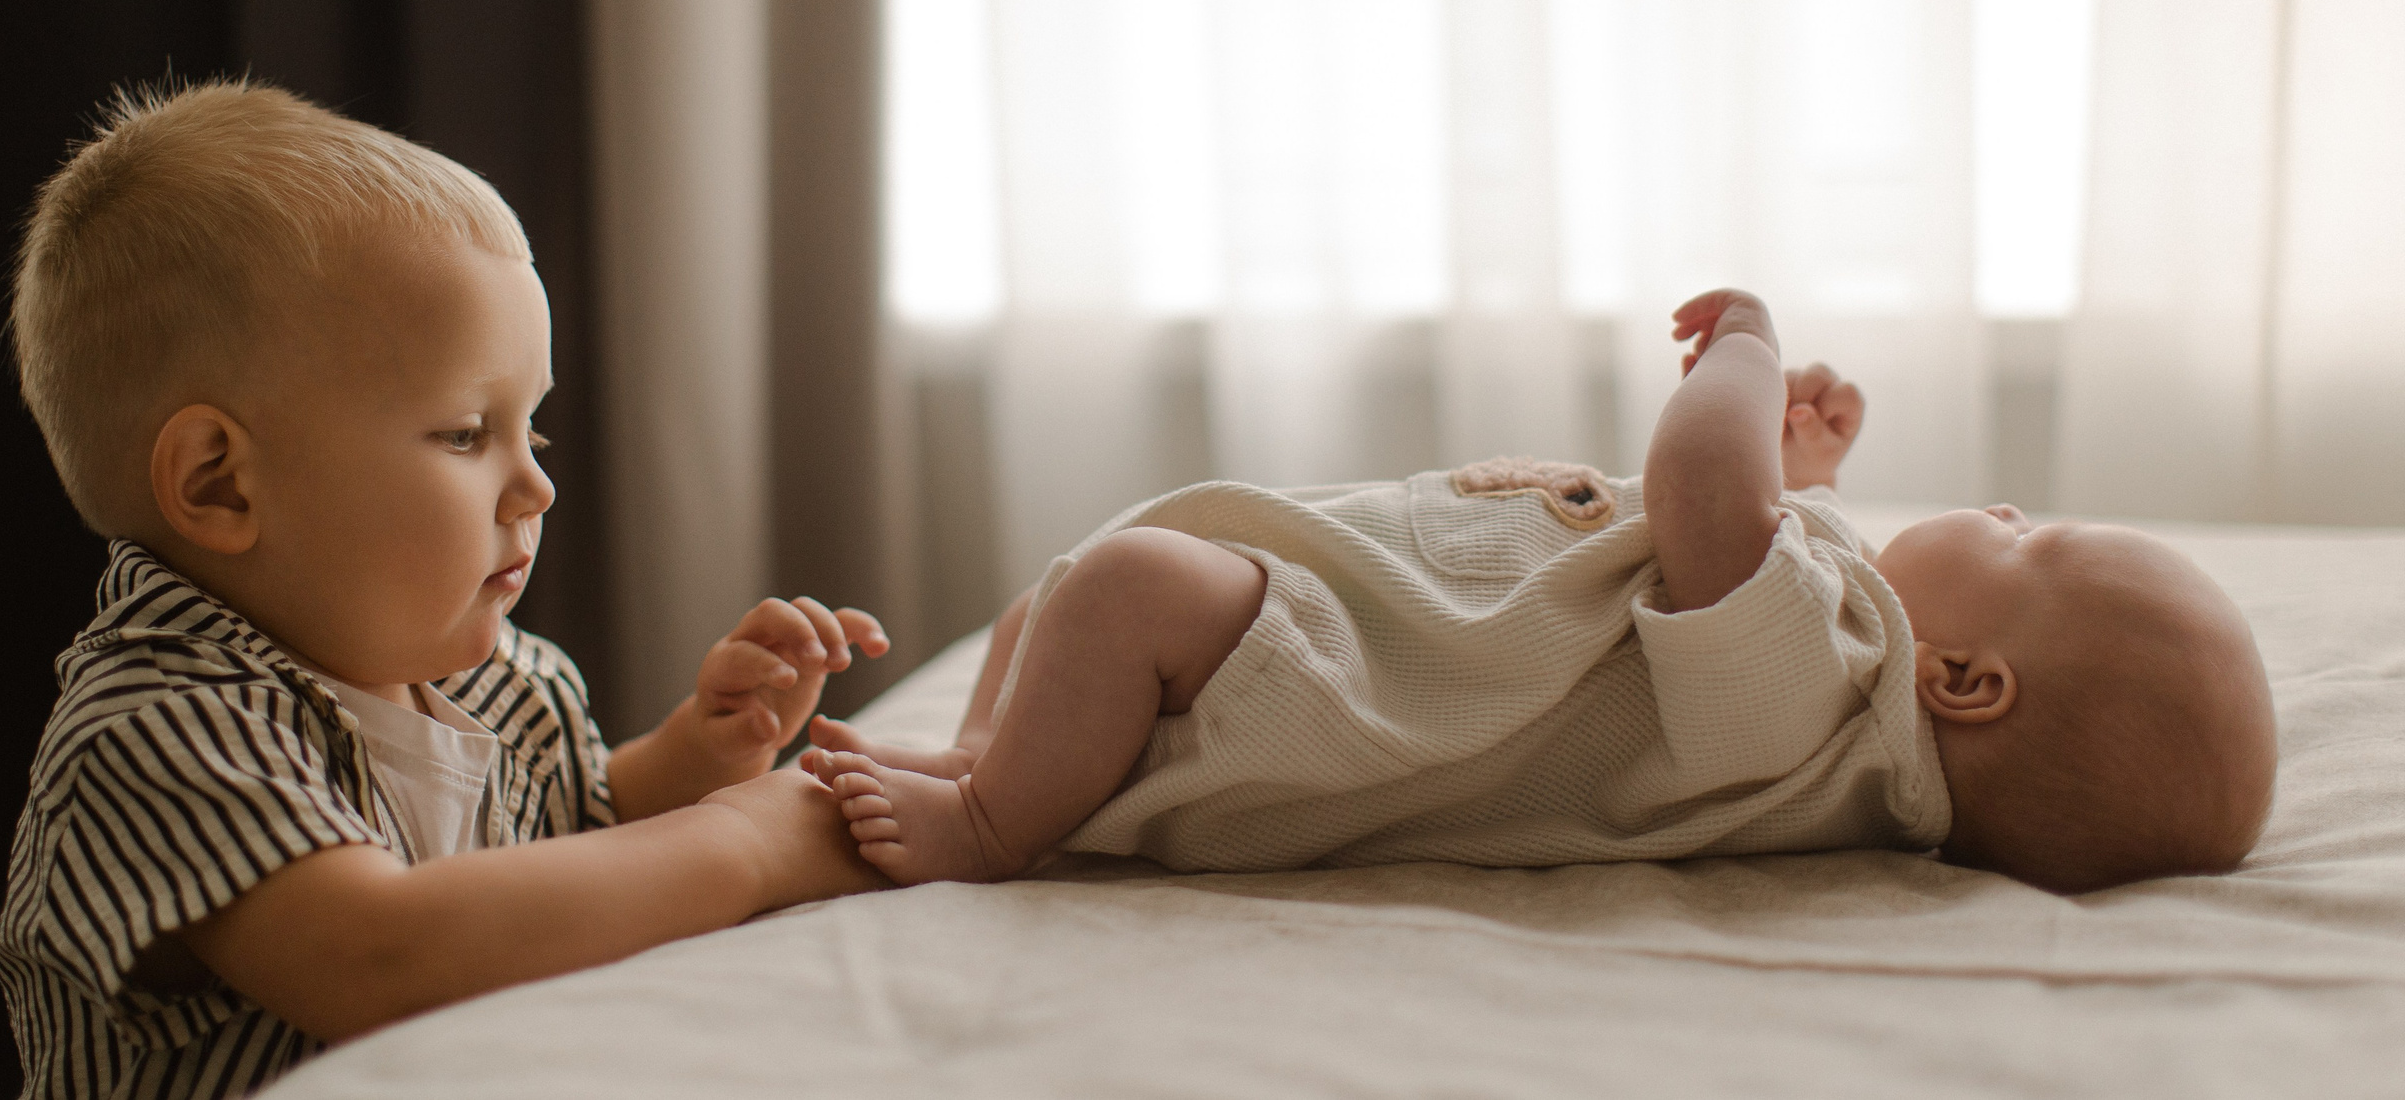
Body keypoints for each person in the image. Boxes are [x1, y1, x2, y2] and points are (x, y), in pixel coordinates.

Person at [0, 80, 888, 1100]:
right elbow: (383, 958)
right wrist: (741, 844)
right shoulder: (154, 732)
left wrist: (699, 758)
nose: (537, 484)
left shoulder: (508, 681)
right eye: (466, 433)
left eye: (533, 428)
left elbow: (579, 839)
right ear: (220, 482)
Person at [805, 289, 2278, 897]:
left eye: (2033, 538)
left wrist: (1749, 359)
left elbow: (1706, 509)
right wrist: (1810, 479)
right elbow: (1759, 558)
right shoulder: (1835, 681)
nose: (2005, 506)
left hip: (1342, 684)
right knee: (1060, 607)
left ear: (1964, 679)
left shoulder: (1830, 694)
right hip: (1357, 624)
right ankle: (979, 751)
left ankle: (989, 820)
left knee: (1121, 589)